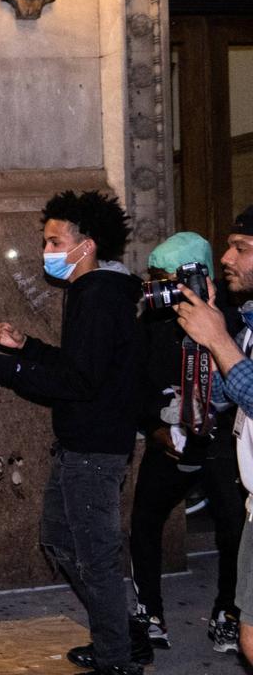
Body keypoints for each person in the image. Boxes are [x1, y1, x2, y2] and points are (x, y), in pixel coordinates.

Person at [0, 191, 148, 675]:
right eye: (45, 241)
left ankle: (117, 659)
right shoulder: (89, 293)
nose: (48, 250)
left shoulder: (101, 296)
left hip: (95, 449)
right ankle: (122, 636)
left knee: (95, 556)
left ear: (87, 245)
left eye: (55, 241)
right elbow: (79, 366)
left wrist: (2, 366)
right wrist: (28, 348)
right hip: (81, 445)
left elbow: (80, 383)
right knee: (59, 539)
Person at [128, 232, 245, 654]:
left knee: (235, 525)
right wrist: (155, 427)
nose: (161, 288)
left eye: (168, 279)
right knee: (144, 520)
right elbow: (135, 382)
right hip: (169, 437)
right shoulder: (153, 320)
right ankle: (150, 613)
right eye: (155, 278)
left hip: (221, 441)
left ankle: (229, 612)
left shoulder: (231, 318)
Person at [169, 205, 253, 665]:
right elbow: (223, 397)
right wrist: (203, 333)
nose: (225, 257)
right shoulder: (249, 323)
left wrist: (219, 339)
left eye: (242, 249)